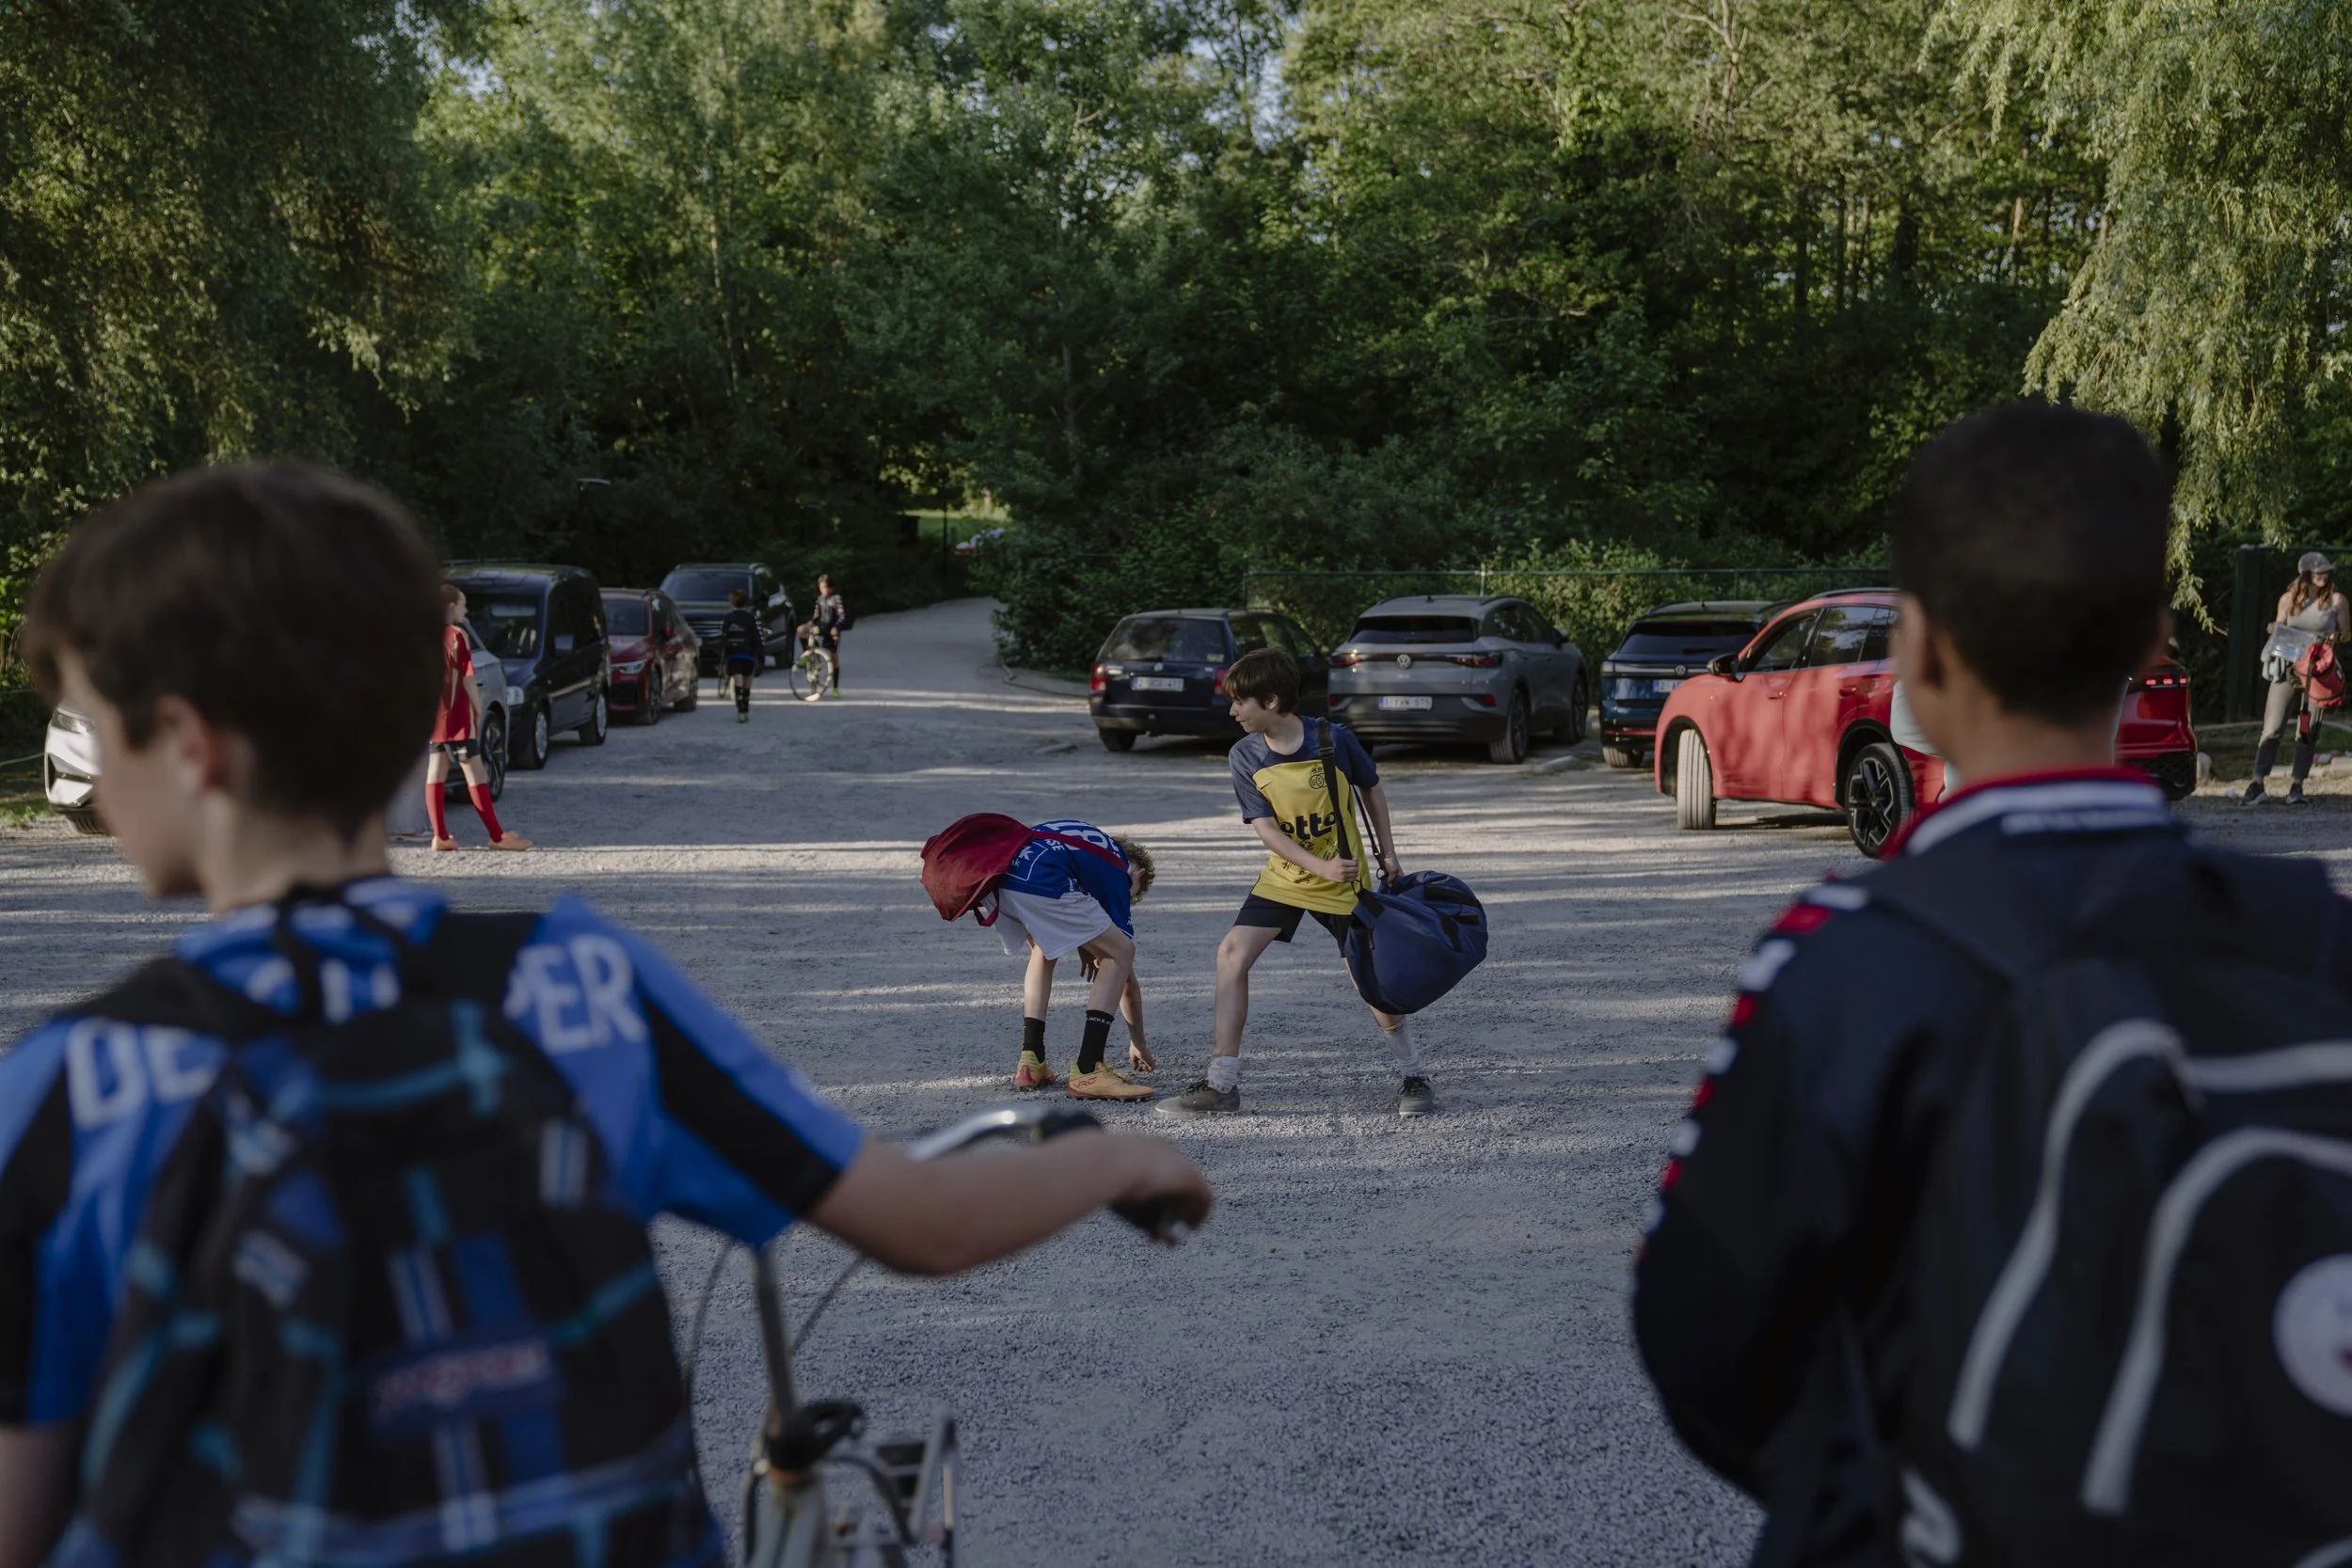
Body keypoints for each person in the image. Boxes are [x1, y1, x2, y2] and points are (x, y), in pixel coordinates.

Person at [0, 462, 1212, 1568]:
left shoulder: (73, 1083)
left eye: (95, 726)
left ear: (187, 744)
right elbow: (928, 1222)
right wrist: (1125, 1160)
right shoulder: (576, 985)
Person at [1630, 405, 2244, 1565]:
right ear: (2154, 640)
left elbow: (1702, 1330)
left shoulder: (1841, 950)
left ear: (1917, 652)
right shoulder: (2312, 934)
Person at [1159, 647, 1435, 1119]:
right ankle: (1222, 1084)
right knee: (1231, 954)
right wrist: (1316, 865)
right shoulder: (1244, 755)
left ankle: (1414, 1075)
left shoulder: (1334, 739)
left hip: (1345, 882)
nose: (1232, 712)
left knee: (1371, 982)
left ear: (1270, 701)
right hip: (1286, 877)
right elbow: (1266, 829)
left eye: (1240, 702)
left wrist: (1389, 853)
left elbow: (1371, 787)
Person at [983, 819, 1157, 1100]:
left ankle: (1031, 1060)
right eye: (1133, 897)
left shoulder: (1086, 843)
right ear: (1137, 875)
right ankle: (1089, 1071)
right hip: (1041, 879)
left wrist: (1087, 944)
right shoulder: (1119, 872)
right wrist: (1138, 1042)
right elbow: (1126, 979)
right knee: (1121, 951)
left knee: (1043, 947)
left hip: (997, 877)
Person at [425, 583, 531, 851]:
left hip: (434, 712)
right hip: (456, 712)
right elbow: (468, 678)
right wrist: (477, 708)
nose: (466, 609)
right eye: (462, 604)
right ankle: (497, 837)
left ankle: (440, 835)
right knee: (476, 771)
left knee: (436, 770)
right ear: (451, 607)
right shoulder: (457, 635)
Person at [2242, 549, 2349, 804]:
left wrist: (2336, 637)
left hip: (2318, 674)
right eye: (2317, 571)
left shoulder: (2336, 601)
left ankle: (2297, 786)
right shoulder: (2288, 600)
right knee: (2272, 727)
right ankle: (2257, 782)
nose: (2323, 575)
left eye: (2325, 571)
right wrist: (2273, 628)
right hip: (2289, 668)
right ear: (2305, 575)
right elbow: (2277, 624)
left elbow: (2346, 633)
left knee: (2307, 730)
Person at [719, 586, 764, 721]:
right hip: (748, 653)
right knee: (747, 680)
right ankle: (746, 703)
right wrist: (760, 653)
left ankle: (740, 708)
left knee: (737, 679)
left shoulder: (728, 618)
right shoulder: (751, 618)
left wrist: (723, 653)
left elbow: (723, 636)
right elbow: (757, 637)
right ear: (746, 603)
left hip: (733, 654)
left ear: (732, 602)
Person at [809, 572, 847, 696]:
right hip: (822, 628)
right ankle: (811, 655)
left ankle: (835, 688)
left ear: (830, 587)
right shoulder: (819, 600)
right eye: (821, 587)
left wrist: (836, 627)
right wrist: (811, 623)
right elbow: (816, 616)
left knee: (834, 659)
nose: (823, 590)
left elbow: (842, 616)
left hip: (832, 630)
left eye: (825, 587)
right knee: (808, 632)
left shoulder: (836, 599)